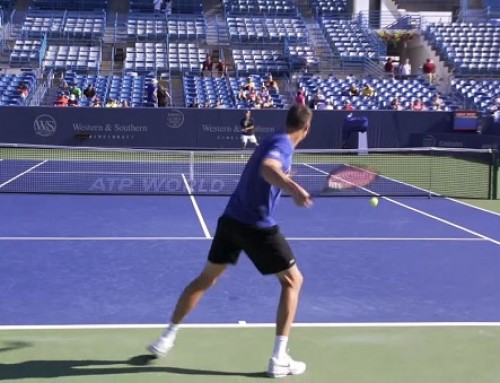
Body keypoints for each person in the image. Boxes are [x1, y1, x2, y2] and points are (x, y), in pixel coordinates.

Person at [147, 104, 314, 378]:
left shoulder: (274, 138)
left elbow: (270, 172)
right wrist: (293, 188)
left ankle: (166, 337)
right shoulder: (283, 146)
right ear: (306, 129)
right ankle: (279, 358)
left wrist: (284, 179)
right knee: (294, 281)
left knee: (205, 279)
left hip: (231, 222)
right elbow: (268, 168)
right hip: (255, 226)